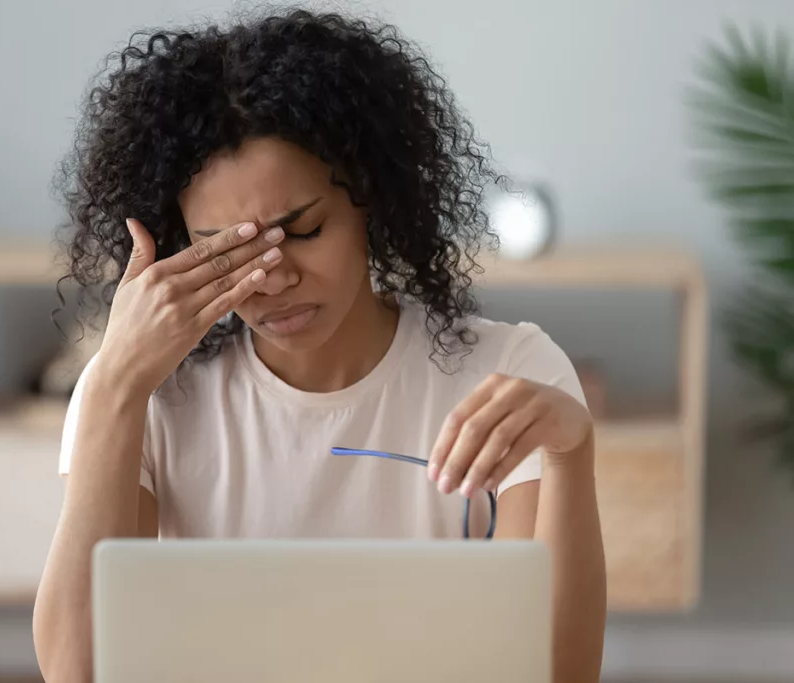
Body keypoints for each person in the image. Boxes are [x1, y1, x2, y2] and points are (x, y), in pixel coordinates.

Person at [34, 8, 606, 683]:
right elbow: (78, 669)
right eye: (225, 250)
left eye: (302, 230)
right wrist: (112, 388)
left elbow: (556, 672)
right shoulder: (147, 399)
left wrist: (572, 454)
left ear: (372, 198)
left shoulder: (507, 373)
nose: (272, 279)